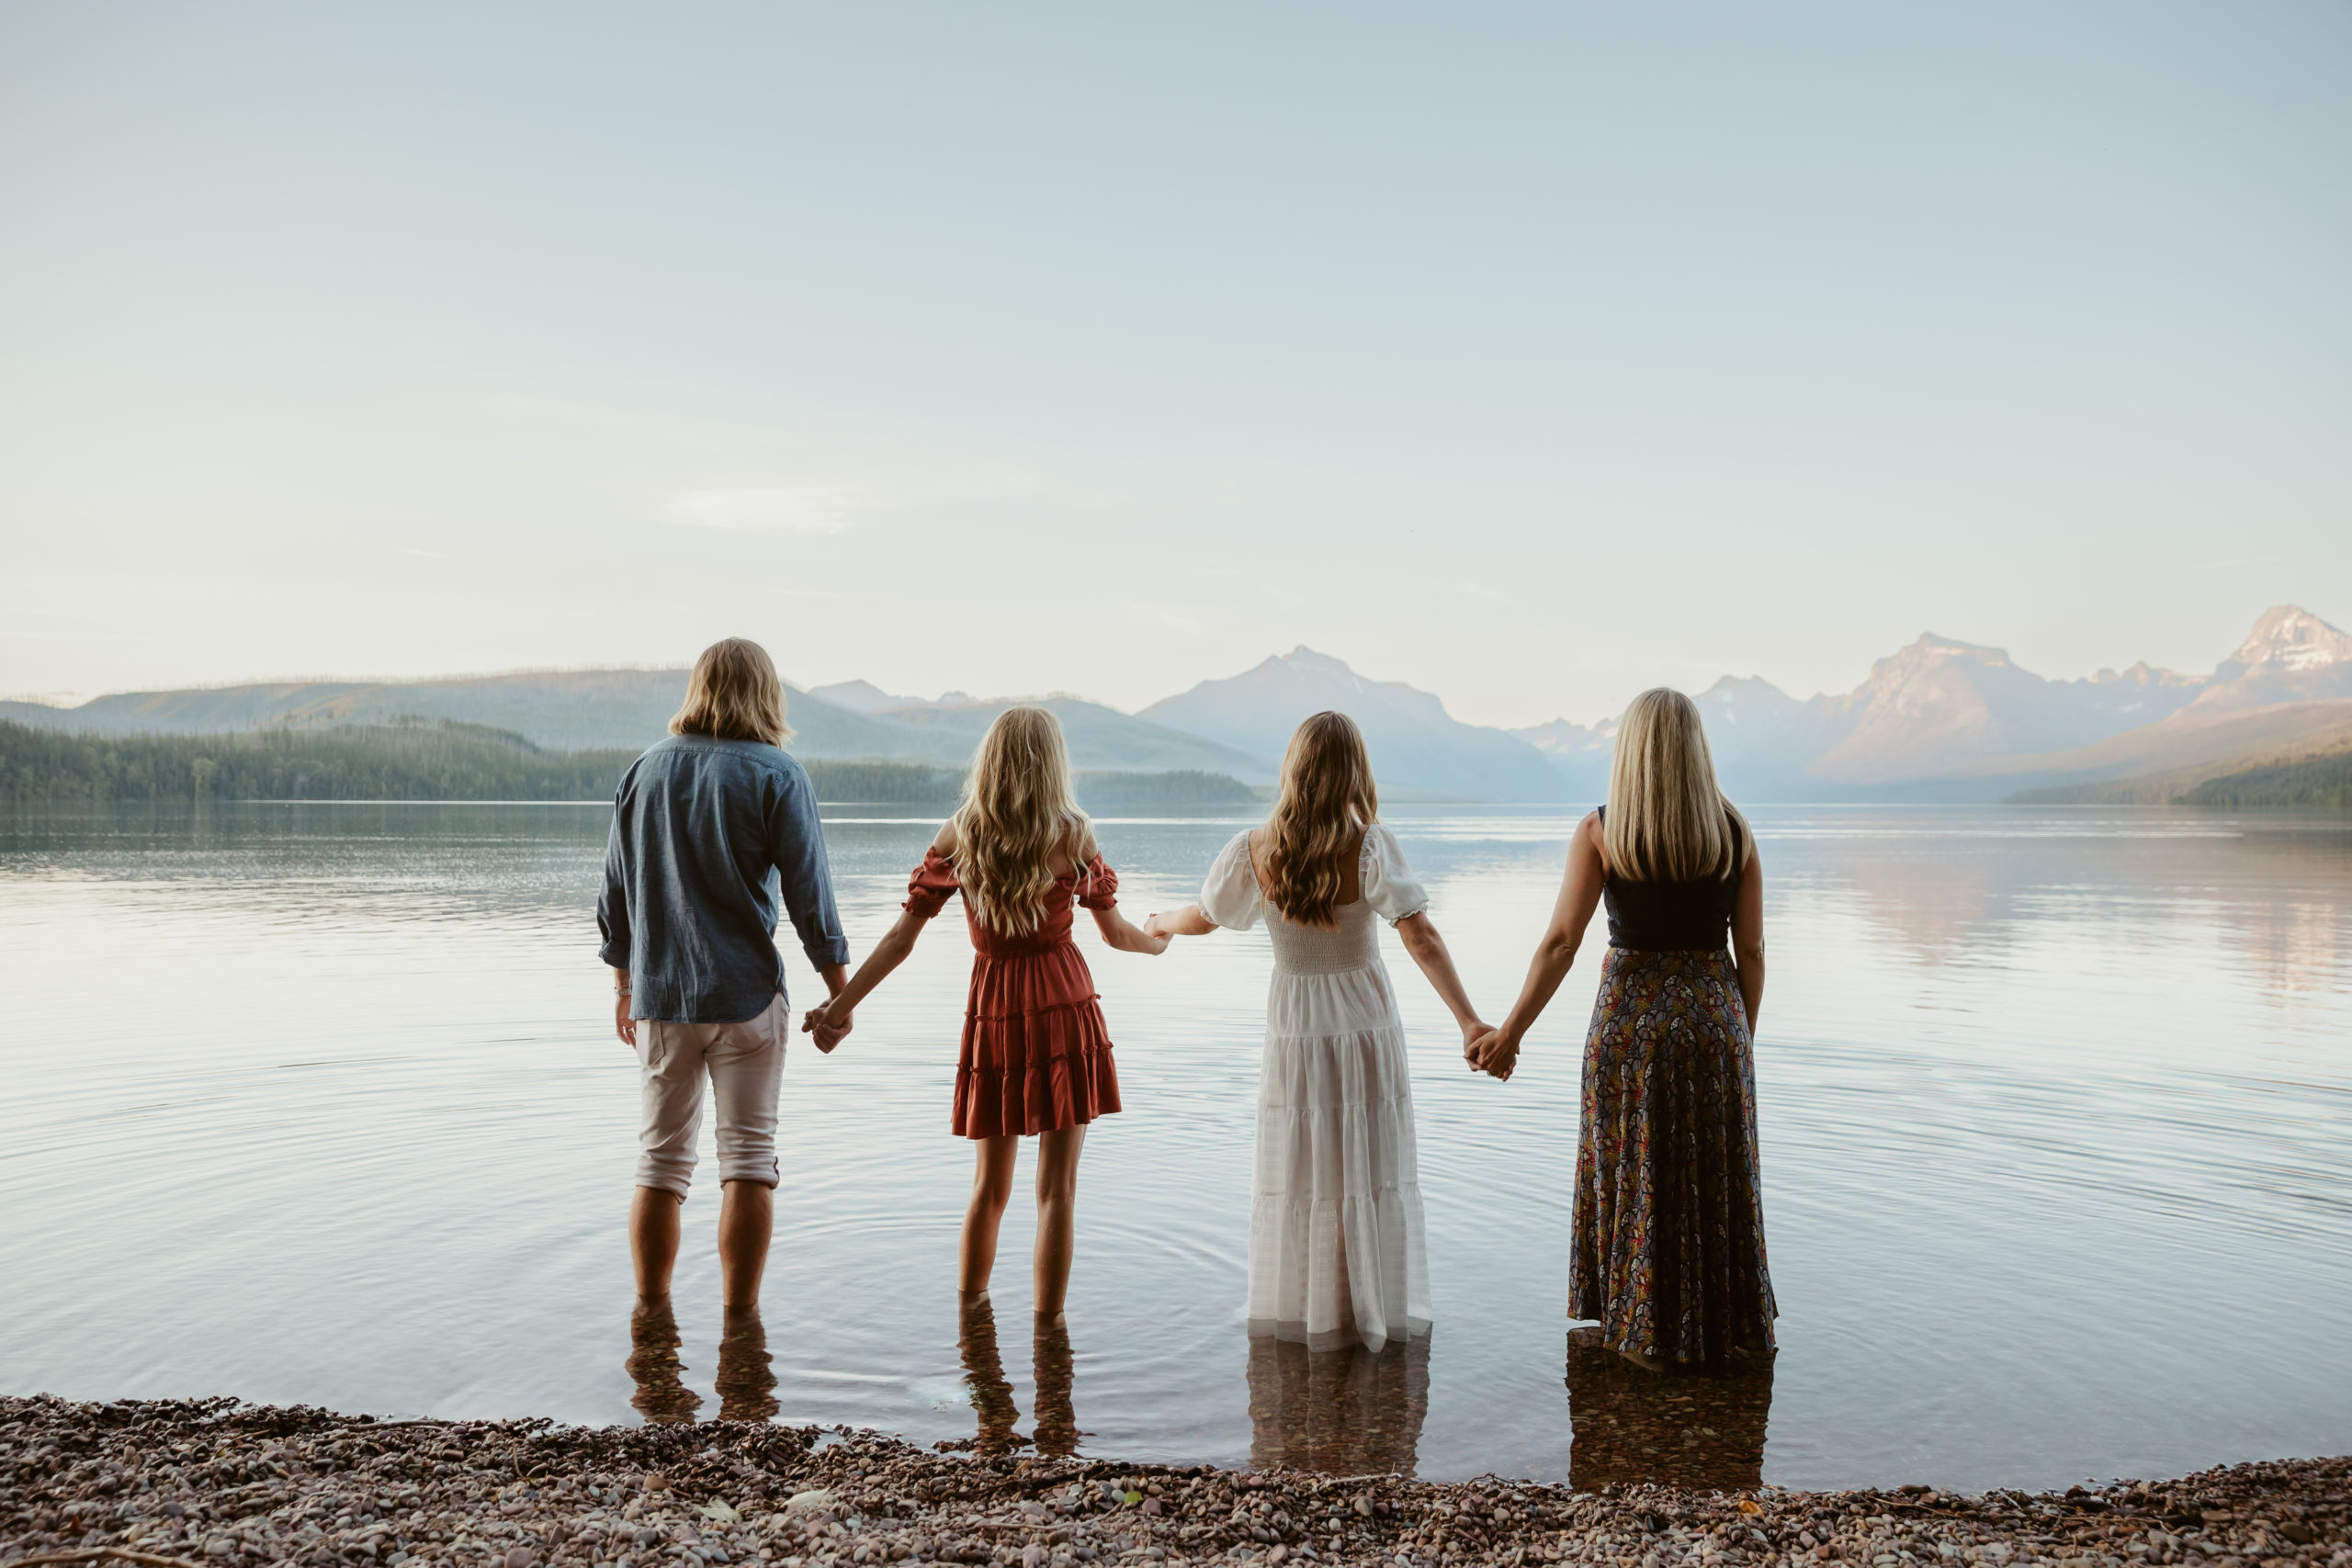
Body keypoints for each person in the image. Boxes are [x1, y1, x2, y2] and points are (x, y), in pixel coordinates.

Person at [803, 705, 1167, 1319]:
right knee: (1057, 1190)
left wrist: (838, 1009)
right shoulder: (1073, 833)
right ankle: (1050, 1340)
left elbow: (899, 940)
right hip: (1062, 1003)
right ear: (1053, 763)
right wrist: (1156, 940)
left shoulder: (961, 833)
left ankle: (972, 1334)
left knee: (989, 1188)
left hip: (994, 1010)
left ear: (989, 760)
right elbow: (1114, 933)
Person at [1145, 711, 1488, 1351]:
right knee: (1362, 1163)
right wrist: (1468, 1018)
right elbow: (1420, 934)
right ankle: (1363, 1316)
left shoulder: (1254, 848)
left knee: (1305, 1167)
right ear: (1355, 771)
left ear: (1293, 770)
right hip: (1364, 1025)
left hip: (1296, 1029)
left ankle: (1313, 1318)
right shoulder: (1371, 845)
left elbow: (1207, 915)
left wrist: (1160, 921)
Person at [1468, 687, 1775, 1371]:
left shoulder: (1602, 832)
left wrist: (1511, 1031)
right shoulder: (1738, 834)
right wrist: (1739, 1038)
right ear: (1698, 752)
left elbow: (1560, 943)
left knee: (1635, 1172)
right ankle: (1719, 1331)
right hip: (1712, 1023)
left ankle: (1639, 1334)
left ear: (1630, 752)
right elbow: (1751, 953)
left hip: (1628, 1029)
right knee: (1711, 1178)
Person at [597, 637, 852, 1319]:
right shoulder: (778, 774)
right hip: (747, 1000)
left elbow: (615, 896)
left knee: (659, 1164)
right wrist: (839, 991)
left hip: (661, 998)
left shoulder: (643, 771)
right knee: (749, 1160)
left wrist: (624, 985)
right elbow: (811, 898)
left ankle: (651, 1321)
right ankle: (741, 1328)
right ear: (768, 694)